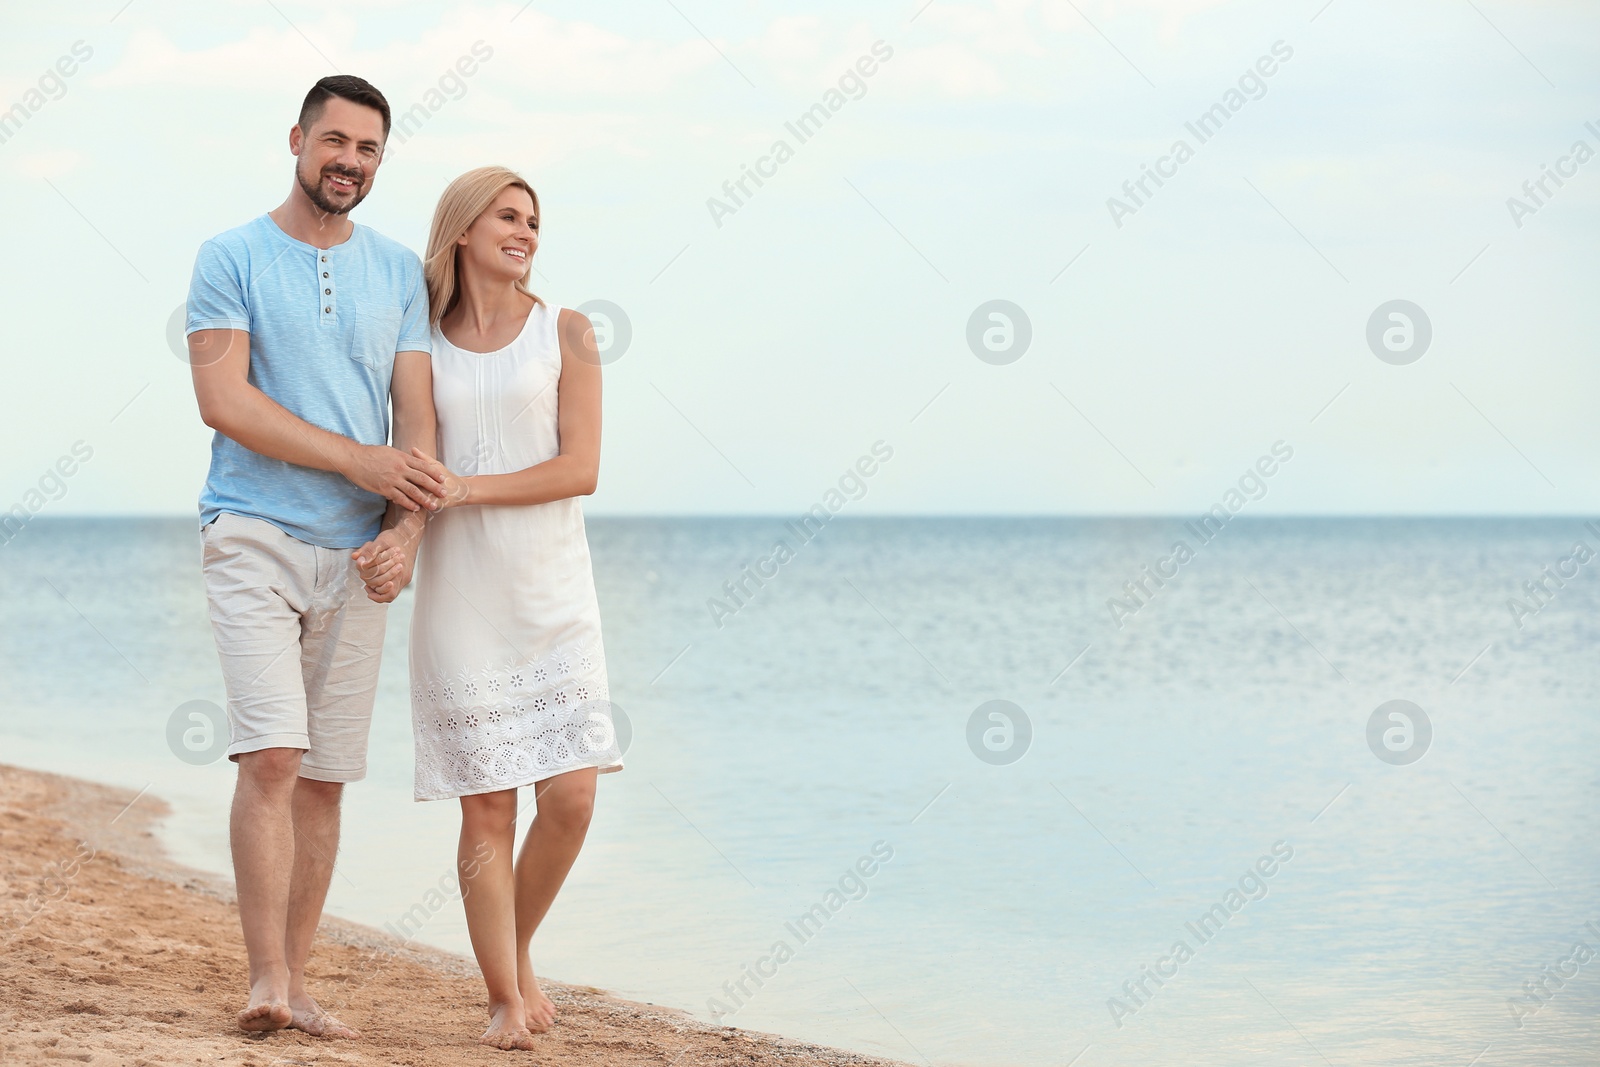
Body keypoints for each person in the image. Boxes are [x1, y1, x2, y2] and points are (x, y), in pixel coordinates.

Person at [185, 74, 445, 1038]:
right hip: (251, 530)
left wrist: (404, 531)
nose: (349, 161)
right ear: (296, 139)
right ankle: (262, 979)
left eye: (369, 149)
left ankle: (294, 981)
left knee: (327, 775)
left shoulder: (398, 273)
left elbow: (417, 423)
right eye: (335, 140)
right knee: (274, 753)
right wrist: (359, 460)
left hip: (359, 557)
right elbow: (226, 403)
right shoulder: (230, 256)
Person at [357, 165, 623, 1051]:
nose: (526, 232)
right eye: (508, 216)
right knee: (489, 809)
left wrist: (465, 490)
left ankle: (517, 950)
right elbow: (417, 457)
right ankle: (505, 995)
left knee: (574, 797)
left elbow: (577, 468)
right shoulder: (422, 340)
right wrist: (399, 541)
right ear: (464, 229)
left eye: (534, 220)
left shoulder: (569, 332)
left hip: (551, 595)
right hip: (461, 603)